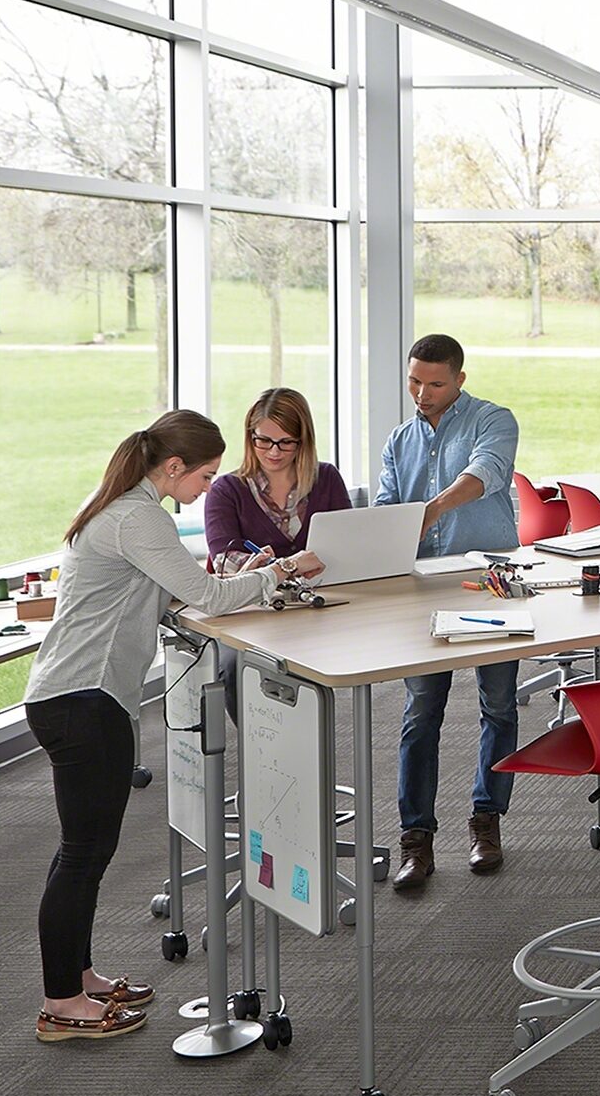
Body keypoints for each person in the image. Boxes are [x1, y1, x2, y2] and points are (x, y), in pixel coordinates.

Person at [23, 411, 324, 1041]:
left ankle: (79, 976)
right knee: (82, 854)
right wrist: (281, 572)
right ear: (174, 468)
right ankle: (60, 1003)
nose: (209, 489)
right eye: (207, 476)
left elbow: (174, 594)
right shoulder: (140, 517)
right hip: (84, 699)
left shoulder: (123, 508)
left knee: (87, 850)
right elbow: (208, 600)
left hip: (76, 694)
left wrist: (239, 578)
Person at [375, 333, 522, 889]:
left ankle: (487, 822)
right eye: (414, 381)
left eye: (435, 383)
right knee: (420, 714)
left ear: (459, 378)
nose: (422, 393)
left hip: (489, 583)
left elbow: (488, 472)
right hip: (424, 587)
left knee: (500, 706)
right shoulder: (399, 440)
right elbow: (389, 507)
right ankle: (417, 837)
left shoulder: (493, 419)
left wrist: (432, 510)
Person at [203, 387, 352, 569]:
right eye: (264, 441)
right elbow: (224, 562)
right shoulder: (226, 490)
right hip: (258, 596)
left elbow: (347, 545)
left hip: (328, 591)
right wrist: (289, 565)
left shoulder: (327, 478)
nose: (274, 452)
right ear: (251, 437)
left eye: (286, 442)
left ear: (303, 441)